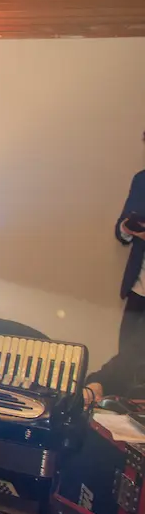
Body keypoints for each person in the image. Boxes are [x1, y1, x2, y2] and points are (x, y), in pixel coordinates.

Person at [116, 135, 145, 354]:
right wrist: (127, 228)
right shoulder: (141, 180)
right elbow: (121, 229)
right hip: (138, 290)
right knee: (124, 359)